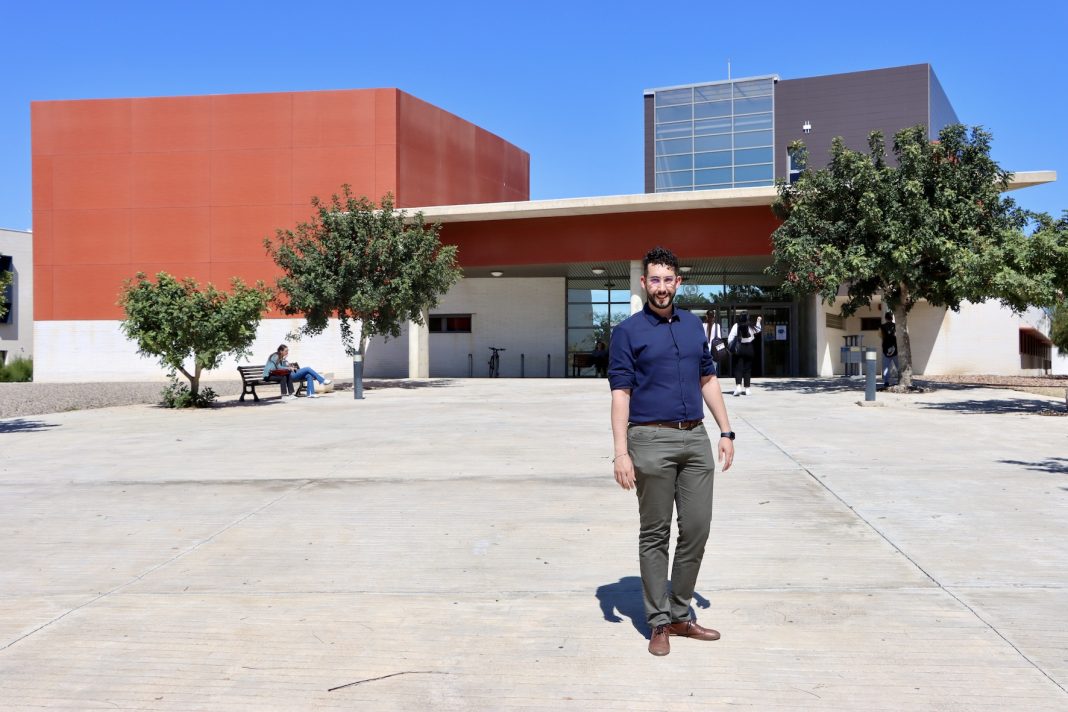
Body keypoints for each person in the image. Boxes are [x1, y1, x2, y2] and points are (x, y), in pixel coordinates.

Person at [608, 246, 736, 657]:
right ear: (644, 283)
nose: (661, 287)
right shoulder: (628, 332)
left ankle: (681, 613)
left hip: (695, 438)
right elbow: (620, 394)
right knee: (655, 532)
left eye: (668, 279)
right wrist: (620, 452)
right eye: (654, 280)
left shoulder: (693, 326)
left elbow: (707, 379)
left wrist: (726, 431)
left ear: (678, 282)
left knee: (698, 527)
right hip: (649, 440)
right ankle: (659, 620)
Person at [263, 344, 331, 399]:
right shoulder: (275, 356)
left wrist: (288, 364)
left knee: (309, 375)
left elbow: (284, 366)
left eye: (288, 351)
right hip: (286, 375)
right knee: (307, 368)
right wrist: (288, 367)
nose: (287, 352)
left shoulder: (282, 358)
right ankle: (322, 380)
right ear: (281, 351)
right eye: (286, 351)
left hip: (287, 374)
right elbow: (279, 367)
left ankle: (310, 393)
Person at [727, 313, 762, 396]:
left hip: (739, 348)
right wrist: (758, 321)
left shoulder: (736, 325)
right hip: (749, 348)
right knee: (748, 369)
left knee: (738, 368)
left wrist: (731, 346)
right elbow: (758, 330)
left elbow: (730, 338)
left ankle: (738, 387)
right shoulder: (751, 325)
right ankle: (747, 389)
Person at [880, 312, 900, 388]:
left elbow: (881, 337)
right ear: (892, 318)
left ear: (885, 318)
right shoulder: (896, 326)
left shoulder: (882, 327)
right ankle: (900, 380)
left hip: (886, 350)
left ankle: (886, 382)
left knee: (886, 367)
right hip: (895, 350)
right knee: (898, 367)